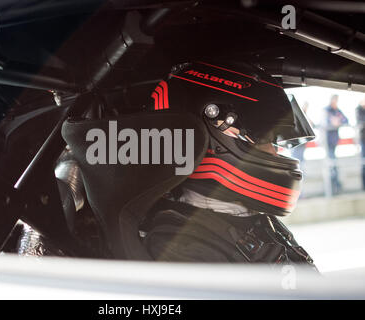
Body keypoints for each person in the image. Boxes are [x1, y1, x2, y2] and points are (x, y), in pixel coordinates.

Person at [141, 61, 317, 269]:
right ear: (207, 142)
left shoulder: (253, 217)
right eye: (262, 140)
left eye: (273, 140)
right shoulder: (180, 246)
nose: (274, 151)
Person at [323, 95, 348, 195]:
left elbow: (346, 120)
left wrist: (338, 121)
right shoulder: (326, 110)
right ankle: (333, 187)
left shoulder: (337, 110)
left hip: (334, 141)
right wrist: (333, 121)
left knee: (334, 164)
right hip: (326, 142)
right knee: (330, 164)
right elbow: (326, 122)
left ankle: (336, 186)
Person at [356, 97, 365, 190]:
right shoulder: (358, 110)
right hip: (363, 140)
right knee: (363, 163)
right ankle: (364, 185)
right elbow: (361, 122)